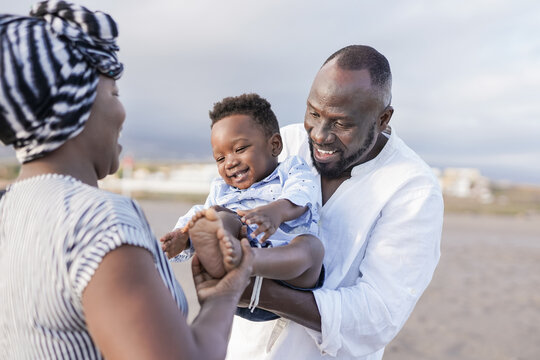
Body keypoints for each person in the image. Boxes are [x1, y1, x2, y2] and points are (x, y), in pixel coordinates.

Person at [0, 2, 253, 359]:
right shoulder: (98, 220)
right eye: (113, 94)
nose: (122, 112)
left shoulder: (8, 209)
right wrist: (226, 293)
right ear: (77, 104)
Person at [225, 45, 444, 359]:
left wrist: (260, 294)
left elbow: (377, 317)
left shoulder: (413, 189)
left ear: (383, 119)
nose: (319, 135)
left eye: (341, 124)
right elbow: (226, 209)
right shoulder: (282, 145)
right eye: (313, 113)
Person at [160, 93, 325, 321]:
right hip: (243, 289)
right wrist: (183, 237)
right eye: (220, 158)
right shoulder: (222, 190)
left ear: (274, 145)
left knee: (312, 247)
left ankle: (248, 261)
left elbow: (304, 192)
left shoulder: (290, 170)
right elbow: (200, 213)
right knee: (216, 215)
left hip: (290, 281)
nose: (230, 162)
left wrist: (278, 210)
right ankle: (231, 259)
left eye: (239, 149)